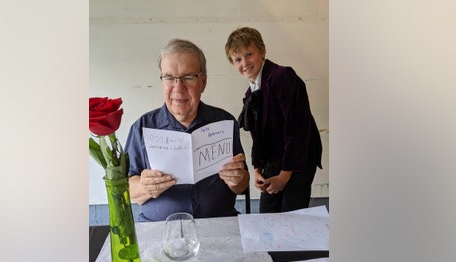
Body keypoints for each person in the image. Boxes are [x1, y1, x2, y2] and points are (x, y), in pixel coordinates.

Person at [125, 38, 250, 222]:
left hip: (219, 225)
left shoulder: (224, 122)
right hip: (159, 230)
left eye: (188, 77)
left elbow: (243, 184)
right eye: (169, 77)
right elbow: (124, 189)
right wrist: (144, 187)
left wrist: (238, 179)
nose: (178, 88)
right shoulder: (142, 128)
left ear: (203, 82)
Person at [224, 27, 323, 213]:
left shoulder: (283, 77)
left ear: (262, 51)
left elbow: (296, 131)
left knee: (291, 217)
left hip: (298, 158)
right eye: (238, 59)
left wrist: (284, 176)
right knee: (267, 216)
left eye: (249, 54)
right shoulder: (250, 93)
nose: (244, 62)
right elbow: (258, 136)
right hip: (273, 159)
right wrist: (257, 169)